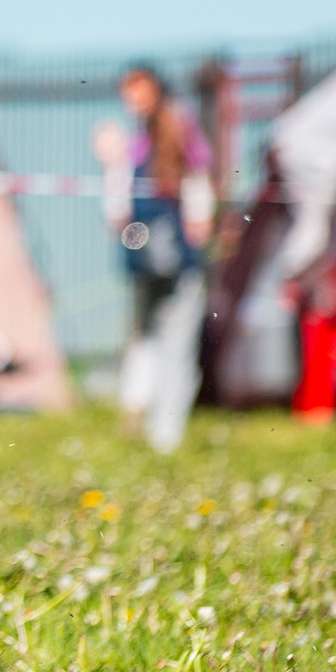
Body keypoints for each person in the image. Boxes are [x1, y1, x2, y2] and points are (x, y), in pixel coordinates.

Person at [98, 65, 213, 453]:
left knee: (167, 339)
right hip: (157, 258)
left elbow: (195, 194)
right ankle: (156, 428)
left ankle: (162, 431)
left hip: (172, 256)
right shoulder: (138, 143)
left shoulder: (162, 136)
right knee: (158, 339)